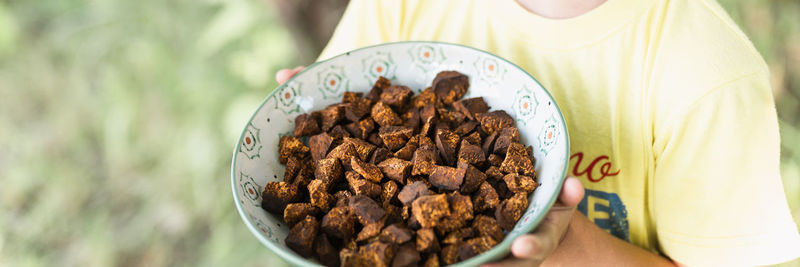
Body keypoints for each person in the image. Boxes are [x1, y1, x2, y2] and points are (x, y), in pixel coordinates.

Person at [275, 0, 800, 265]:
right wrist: (306, 113)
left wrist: (567, 247)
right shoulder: (397, 6)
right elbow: (329, 142)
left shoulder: (709, 74)